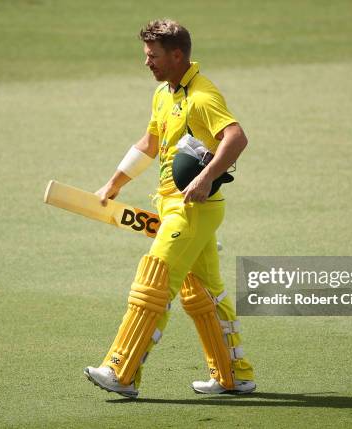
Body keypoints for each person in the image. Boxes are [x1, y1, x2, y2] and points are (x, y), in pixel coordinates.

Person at [83, 19, 255, 398]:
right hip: (176, 205)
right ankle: (233, 375)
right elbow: (149, 143)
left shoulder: (202, 96)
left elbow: (236, 138)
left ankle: (121, 371)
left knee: (154, 280)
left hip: (192, 208)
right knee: (202, 292)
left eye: (153, 56)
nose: (147, 62)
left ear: (177, 55)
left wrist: (207, 176)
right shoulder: (164, 93)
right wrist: (113, 184)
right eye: (146, 55)